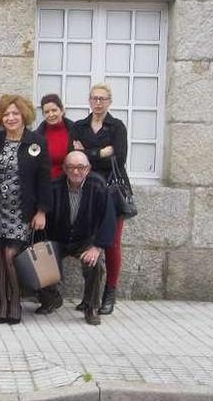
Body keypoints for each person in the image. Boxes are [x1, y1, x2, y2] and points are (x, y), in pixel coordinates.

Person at [0, 95, 51, 325]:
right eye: (7, 114)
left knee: (11, 255)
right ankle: (2, 303)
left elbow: (44, 179)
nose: (11, 118)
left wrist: (42, 211)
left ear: (24, 116)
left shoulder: (36, 142)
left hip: (22, 210)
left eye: (15, 114)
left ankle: (16, 302)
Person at [36, 151, 117, 326]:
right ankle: (52, 299)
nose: (75, 172)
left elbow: (108, 219)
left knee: (95, 264)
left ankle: (91, 306)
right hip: (58, 238)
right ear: (64, 168)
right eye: (71, 167)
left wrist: (97, 247)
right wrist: (43, 246)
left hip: (84, 239)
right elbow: (43, 214)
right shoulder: (54, 186)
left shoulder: (98, 186)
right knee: (39, 259)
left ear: (88, 169)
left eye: (80, 167)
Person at [72, 83, 129, 316]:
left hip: (112, 192)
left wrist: (88, 153)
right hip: (86, 193)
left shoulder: (117, 127)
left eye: (103, 98)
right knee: (87, 242)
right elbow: (74, 158)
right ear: (89, 100)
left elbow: (120, 156)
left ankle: (110, 293)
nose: (98, 102)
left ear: (109, 102)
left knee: (112, 243)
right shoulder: (79, 126)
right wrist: (102, 152)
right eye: (94, 98)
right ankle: (90, 297)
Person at [36, 94, 76, 179]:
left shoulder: (76, 131)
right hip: (46, 183)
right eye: (47, 112)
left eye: (54, 110)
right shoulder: (36, 136)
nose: (51, 114)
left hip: (70, 183)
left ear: (62, 110)